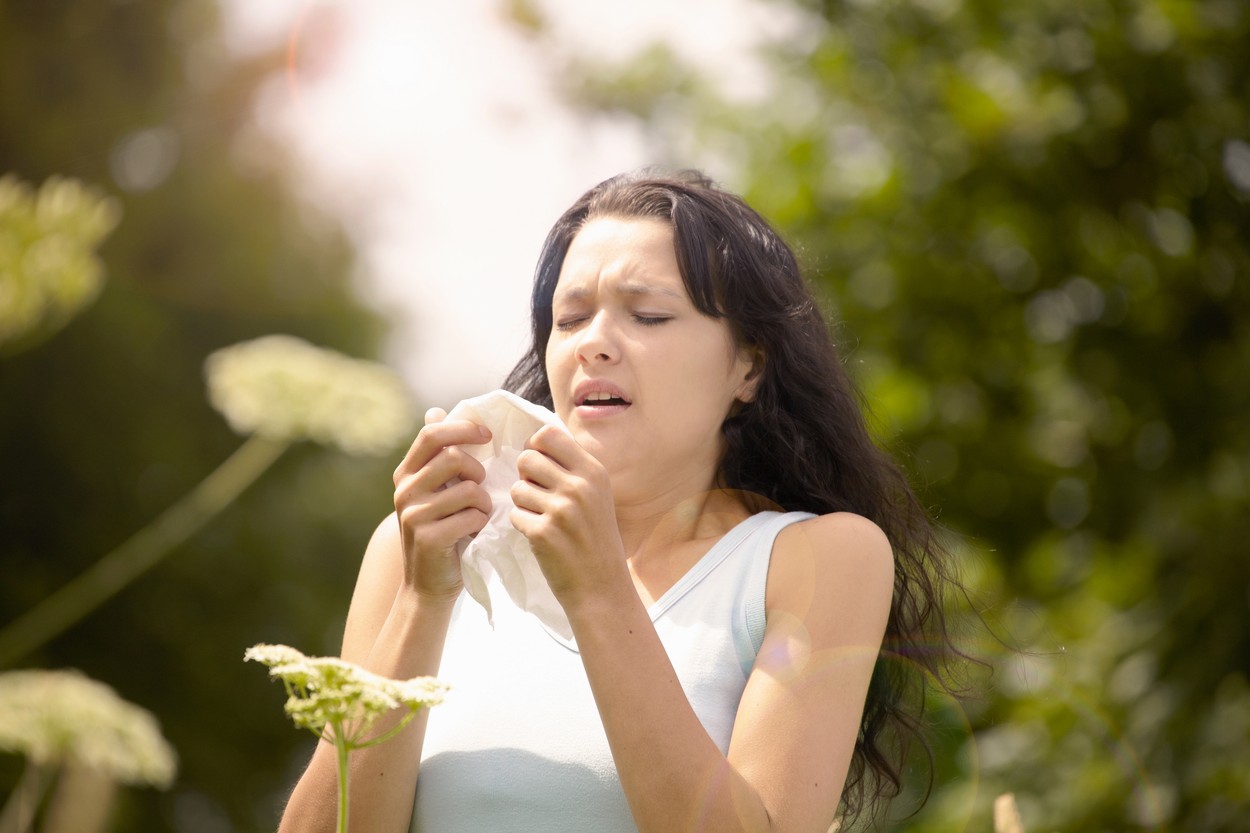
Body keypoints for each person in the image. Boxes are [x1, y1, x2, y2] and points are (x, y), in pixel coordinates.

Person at [278, 169, 966, 833]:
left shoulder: (815, 556)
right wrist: (422, 600)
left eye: (649, 314)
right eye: (570, 318)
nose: (594, 345)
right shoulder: (423, 550)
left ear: (748, 367)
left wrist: (600, 591)